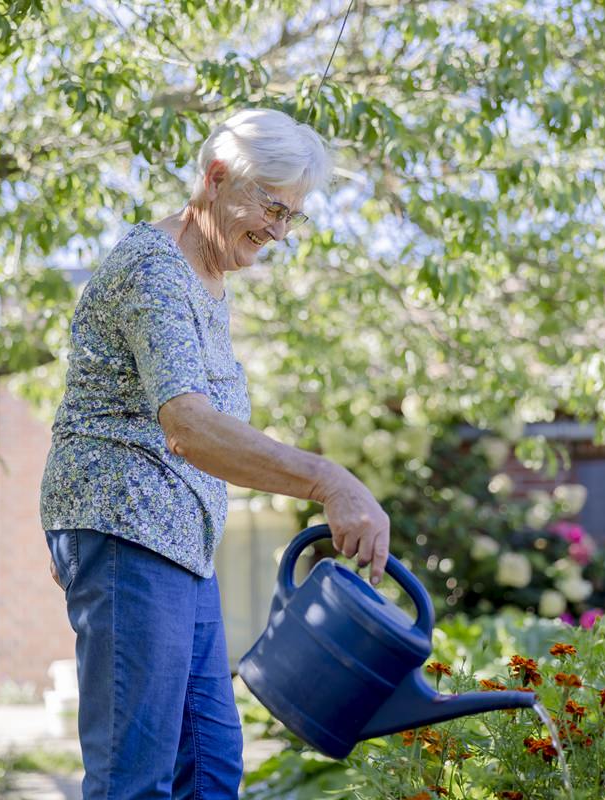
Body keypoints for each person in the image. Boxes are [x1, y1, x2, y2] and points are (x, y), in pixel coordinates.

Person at [39, 107, 390, 800]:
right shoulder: (155, 269)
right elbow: (189, 427)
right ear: (216, 176)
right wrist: (329, 480)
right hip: (126, 531)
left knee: (210, 772)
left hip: (178, 549)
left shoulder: (206, 281)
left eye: (292, 216)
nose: (279, 231)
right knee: (134, 780)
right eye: (271, 207)